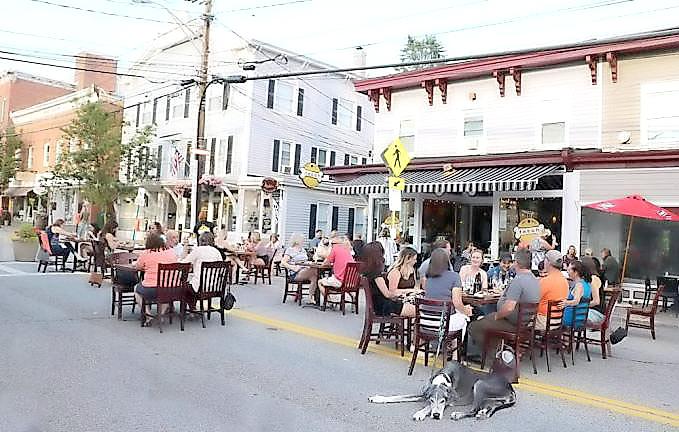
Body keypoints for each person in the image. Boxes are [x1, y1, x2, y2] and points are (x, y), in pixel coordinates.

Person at [468, 248, 540, 360]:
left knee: (474, 326)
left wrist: (498, 315)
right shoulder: (535, 280)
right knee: (487, 318)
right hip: (524, 323)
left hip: (513, 324)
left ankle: (498, 355)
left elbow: (509, 308)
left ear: (516, 263)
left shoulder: (519, 280)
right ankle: (500, 350)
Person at [360, 241, 415, 318]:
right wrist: (408, 291)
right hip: (385, 306)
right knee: (418, 310)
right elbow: (388, 294)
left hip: (379, 305)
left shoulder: (368, 272)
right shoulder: (377, 275)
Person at [424, 248, 471, 336]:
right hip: (444, 322)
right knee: (464, 318)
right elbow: (457, 303)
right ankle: (454, 347)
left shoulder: (427, 277)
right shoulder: (454, 277)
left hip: (425, 320)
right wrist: (466, 311)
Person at [134, 233, 178, 325]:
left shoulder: (146, 253)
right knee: (166, 291)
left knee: (137, 290)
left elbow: (137, 267)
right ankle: (160, 314)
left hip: (151, 289)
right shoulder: (171, 252)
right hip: (169, 288)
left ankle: (148, 315)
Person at [181, 232, 223, 307]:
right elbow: (221, 269)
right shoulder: (217, 252)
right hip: (214, 287)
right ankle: (195, 308)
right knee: (191, 284)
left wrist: (178, 258)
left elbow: (184, 263)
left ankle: (191, 308)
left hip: (199, 287)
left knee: (184, 286)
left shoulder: (198, 250)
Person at [281, 233, 320, 304]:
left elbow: (304, 261)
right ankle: (321, 292)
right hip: (295, 273)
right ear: (297, 240)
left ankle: (310, 297)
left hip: (304, 270)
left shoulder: (303, 250)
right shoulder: (290, 250)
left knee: (315, 276)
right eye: (302, 239)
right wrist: (293, 267)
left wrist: (309, 262)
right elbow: (283, 262)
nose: (303, 241)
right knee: (315, 271)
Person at [535, 250, 569, 330]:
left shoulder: (545, 281)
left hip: (543, 321)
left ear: (548, 262)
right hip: (558, 321)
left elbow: (532, 300)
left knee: (515, 319)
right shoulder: (564, 281)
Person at [318, 235, 355, 299]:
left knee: (320, 282)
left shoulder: (335, 249)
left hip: (340, 281)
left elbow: (325, 263)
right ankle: (353, 297)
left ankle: (329, 301)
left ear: (333, 244)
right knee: (331, 280)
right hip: (350, 281)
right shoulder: (347, 249)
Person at [561, 260, 593, 327]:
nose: (567, 272)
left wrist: (565, 303)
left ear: (575, 272)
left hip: (571, 319)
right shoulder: (588, 284)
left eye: (569, 270)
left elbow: (576, 301)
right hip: (581, 319)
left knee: (550, 320)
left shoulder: (579, 285)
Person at [581, 256, 605, 324]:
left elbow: (596, 301)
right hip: (592, 311)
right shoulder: (589, 279)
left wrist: (581, 305)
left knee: (571, 315)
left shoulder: (594, 279)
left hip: (596, 313)